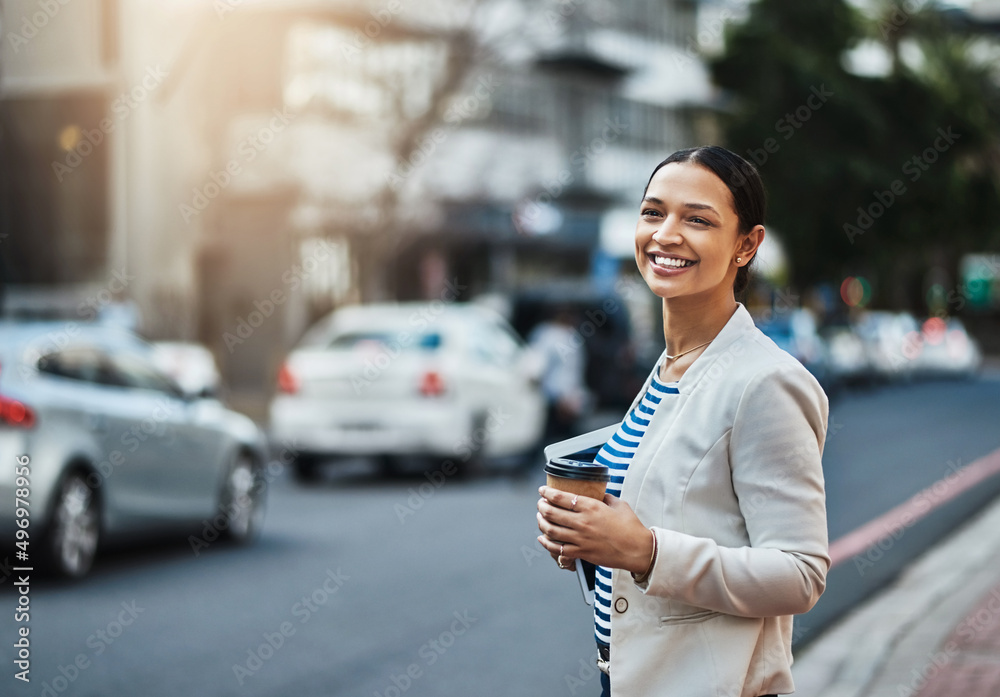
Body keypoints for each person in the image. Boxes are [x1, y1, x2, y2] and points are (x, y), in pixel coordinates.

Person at [535, 146, 829, 697]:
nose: (666, 234)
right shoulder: (670, 365)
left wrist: (646, 552)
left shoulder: (765, 381)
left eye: (697, 219)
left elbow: (800, 574)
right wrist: (585, 537)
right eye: (653, 212)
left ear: (747, 245)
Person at [528, 306, 590, 443]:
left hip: (565, 398)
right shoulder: (548, 334)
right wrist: (560, 397)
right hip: (554, 399)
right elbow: (537, 369)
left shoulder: (568, 335)